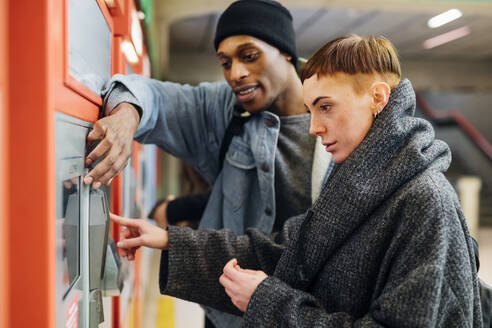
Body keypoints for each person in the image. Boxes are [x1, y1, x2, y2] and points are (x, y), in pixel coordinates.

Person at [110, 35, 483, 327]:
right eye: (310, 110)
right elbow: (284, 251)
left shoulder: (423, 202)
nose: (314, 128)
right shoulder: (360, 183)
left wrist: (267, 302)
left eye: (325, 107)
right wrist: (166, 240)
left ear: (378, 98)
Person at [84, 1, 331, 327]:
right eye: (225, 62)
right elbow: (153, 97)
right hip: (230, 315)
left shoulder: (337, 119)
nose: (236, 74)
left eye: (249, 56)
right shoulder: (225, 112)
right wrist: (127, 115)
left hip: (306, 313)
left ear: (285, 52)